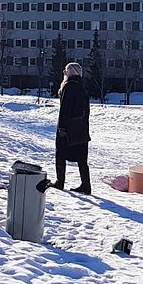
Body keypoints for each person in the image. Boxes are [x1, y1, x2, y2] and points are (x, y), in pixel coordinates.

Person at [53, 61, 91, 193]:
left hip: (68, 127)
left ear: (71, 72)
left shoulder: (68, 86)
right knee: (82, 159)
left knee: (60, 154)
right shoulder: (82, 87)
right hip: (80, 128)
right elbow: (87, 110)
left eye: (66, 70)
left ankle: (60, 182)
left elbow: (64, 108)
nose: (64, 72)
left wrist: (62, 127)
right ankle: (86, 185)